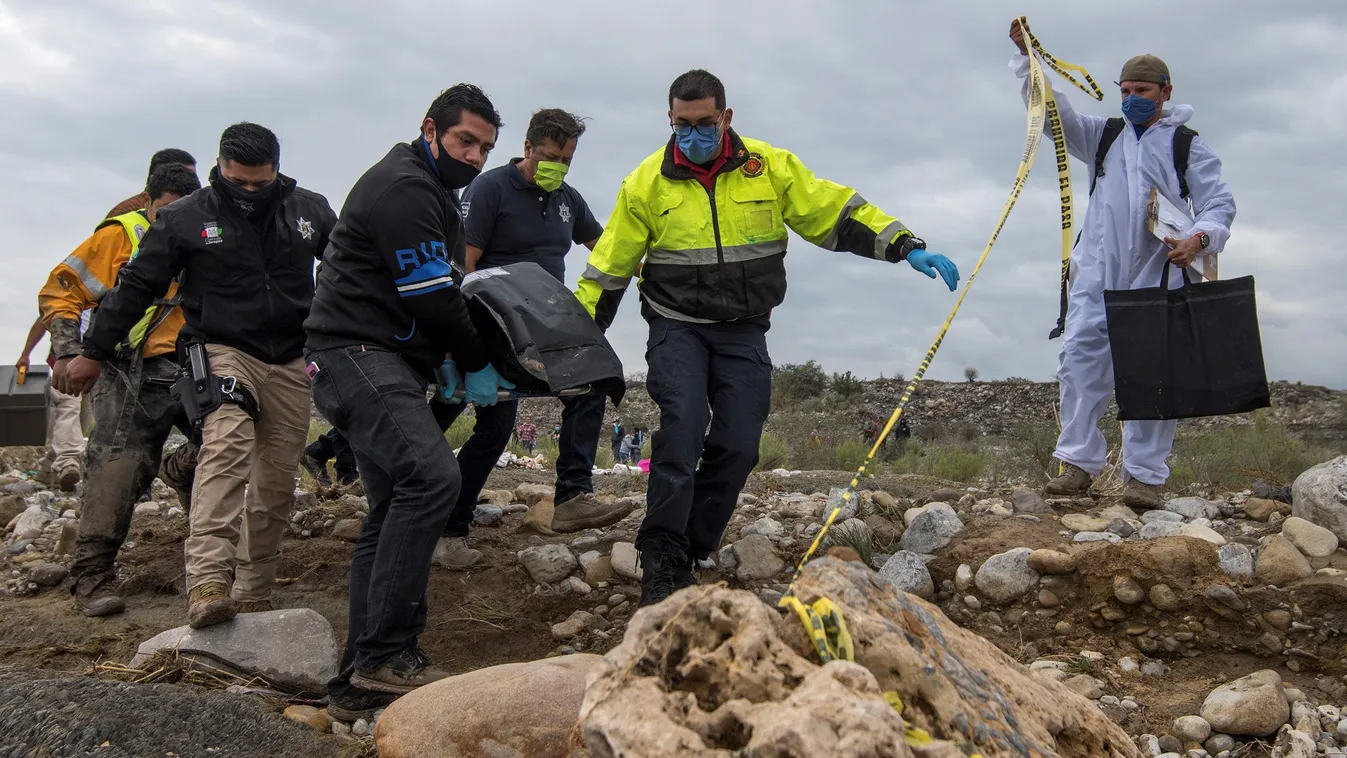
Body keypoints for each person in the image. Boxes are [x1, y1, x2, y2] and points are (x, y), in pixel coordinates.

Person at [576, 69, 960, 606]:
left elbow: (834, 211)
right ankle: (661, 554)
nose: (692, 136)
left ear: (726, 118)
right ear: (669, 120)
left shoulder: (768, 167)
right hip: (676, 326)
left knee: (739, 444)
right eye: (681, 126)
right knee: (682, 427)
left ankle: (694, 546)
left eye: (704, 124)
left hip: (743, 332)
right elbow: (608, 268)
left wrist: (903, 244)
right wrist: (579, 338)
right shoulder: (645, 183)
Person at [303, 84, 516, 716]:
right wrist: (474, 360)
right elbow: (430, 296)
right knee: (431, 479)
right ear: (430, 129)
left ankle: (359, 677)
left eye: (485, 148)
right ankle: (385, 657)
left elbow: (430, 293)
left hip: (378, 356)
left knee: (394, 502)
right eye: (464, 141)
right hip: (354, 354)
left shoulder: (434, 194)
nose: (475, 156)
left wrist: (445, 357)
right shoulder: (404, 189)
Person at [74, 123, 337, 627]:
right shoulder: (184, 218)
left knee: (278, 476)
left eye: (262, 184)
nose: (250, 194)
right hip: (220, 347)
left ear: (277, 170)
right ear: (220, 170)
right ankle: (209, 582)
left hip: (289, 356)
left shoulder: (310, 209)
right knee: (227, 445)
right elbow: (134, 287)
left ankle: (255, 589)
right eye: (239, 183)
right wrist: (92, 351)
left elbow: (348, 264)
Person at [1008, 18, 1235, 509]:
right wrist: (1031, 62)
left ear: (1164, 91)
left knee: (1154, 373)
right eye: (1126, 89)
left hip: (1158, 272)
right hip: (1096, 273)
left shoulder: (1185, 145)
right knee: (1078, 364)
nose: (1132, 97)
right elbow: (1055, 117)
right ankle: (1077, 465)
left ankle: (1145, 479)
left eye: (1142, 89)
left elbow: (1218, 204)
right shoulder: (1103, 136)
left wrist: (1200, 238)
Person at [429, 108, 634, 572]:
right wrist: (457, 345)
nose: (557, 166)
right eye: (550, 156)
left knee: (591, 380)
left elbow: (605, 247)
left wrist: (657, 270)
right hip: (497, 322)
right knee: (472, 420)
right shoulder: (489, 190)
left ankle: (572, 497)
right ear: (527, 148)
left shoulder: (567, 198)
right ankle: (421, 504)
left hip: (548, 324)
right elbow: (465, 267)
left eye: (566, 159)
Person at [42, 164, 203, 616]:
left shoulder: (212, 230)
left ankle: (180, 472)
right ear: (147, 201)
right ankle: (92, 576)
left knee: (235, 446)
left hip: (200, 366)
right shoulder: (120, 236)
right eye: (164, 212)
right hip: (131, 371)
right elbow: (60, 291)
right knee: (118, 467)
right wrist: (70, 351)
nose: (171, 221)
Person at [16, 315, 85, 491]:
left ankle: (48, 469)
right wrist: (25, 354)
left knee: (82, 420)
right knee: (69, 408)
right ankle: (68, 462)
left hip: (99, 364)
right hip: (67, 361)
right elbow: (43, 321)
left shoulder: (110, 295)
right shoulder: (69, 295)